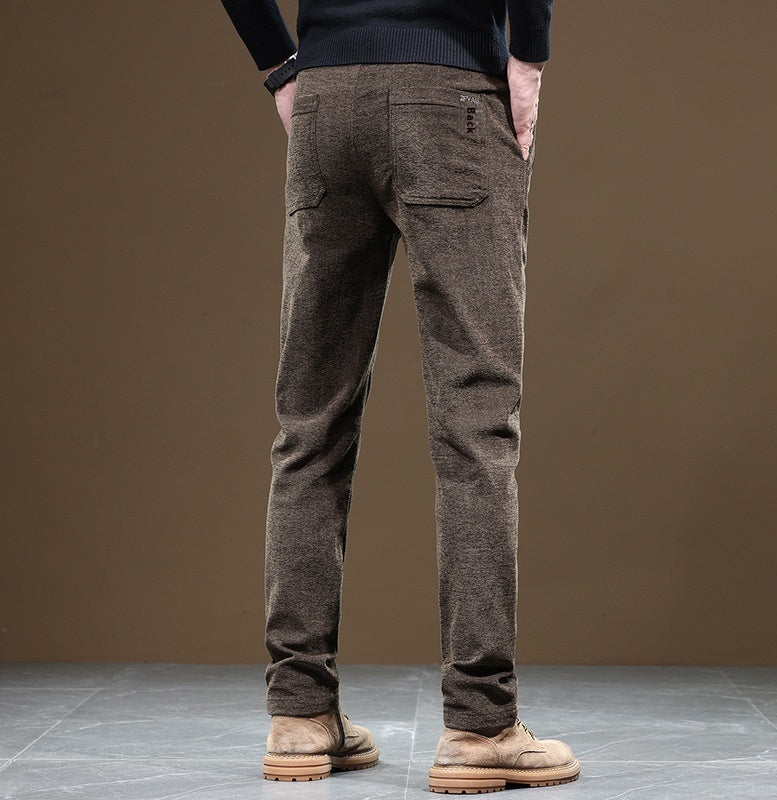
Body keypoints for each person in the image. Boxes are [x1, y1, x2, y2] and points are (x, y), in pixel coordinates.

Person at [219, 0, 580, 792]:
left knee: (309, 422)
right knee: (476, 422)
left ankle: (300, 715)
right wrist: (528, 57)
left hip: (325, 100)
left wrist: (281, 67)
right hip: (453, 94)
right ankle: (481, 723)